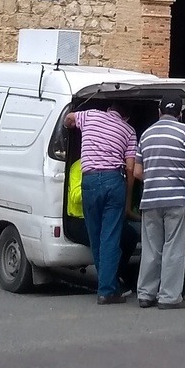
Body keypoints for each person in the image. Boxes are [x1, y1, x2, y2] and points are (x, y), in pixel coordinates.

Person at [66, 100, 139, 304]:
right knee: (110, 237)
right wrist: (128, 197)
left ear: (109, 110)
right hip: (114, 180)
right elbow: (131, 167)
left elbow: (69, 119)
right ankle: (107, 289)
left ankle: (107, 286)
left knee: (96, 235)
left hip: (88, 180)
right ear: (126, 117)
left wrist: (69, 126)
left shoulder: (90, 115)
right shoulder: (129, 130)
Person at [132, 96, 185, 309]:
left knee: (152, 248)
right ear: (179, 114)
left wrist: (154, 179)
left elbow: (137, 171)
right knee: (175, 248)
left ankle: (145, 294)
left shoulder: (147, 133)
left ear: (159, 111)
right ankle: (169, 297)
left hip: (151, 199)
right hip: (178, 198)